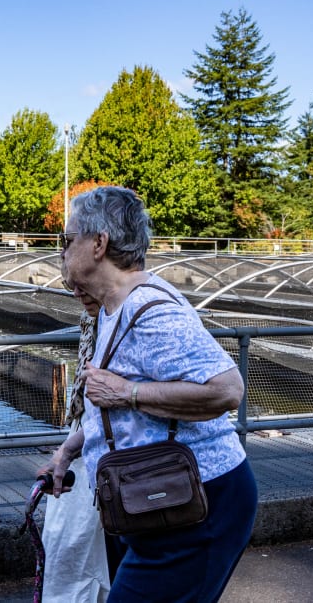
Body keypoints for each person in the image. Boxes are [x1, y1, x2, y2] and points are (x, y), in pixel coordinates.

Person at [41, 186, 258, 603]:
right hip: (153, 500)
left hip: (198, 505)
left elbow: (227, 390)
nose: (62, 253)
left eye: (68, 241)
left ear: (99, 243)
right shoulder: (112, 307)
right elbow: (116, 413)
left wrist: (129, 392)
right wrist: (68, 451)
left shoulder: (152, 312)